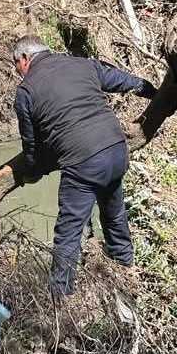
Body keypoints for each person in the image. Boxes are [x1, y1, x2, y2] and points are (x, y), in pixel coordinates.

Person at [11, 35, 158, 298]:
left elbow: (31, 144)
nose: (18, 72)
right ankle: (125, 268)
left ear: (25, 59)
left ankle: (59, 301)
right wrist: (154, 92)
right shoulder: (81, 64)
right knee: (113, 212)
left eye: (16, 65)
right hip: (116, 150)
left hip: (83, 163)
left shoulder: (26, 91)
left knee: (68, 232)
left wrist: (31, 171)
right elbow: (123, 80)